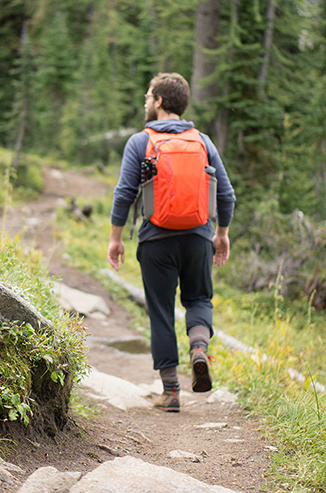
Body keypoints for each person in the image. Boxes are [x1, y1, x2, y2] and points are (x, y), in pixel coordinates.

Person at [107, 72, 236, 412]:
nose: (146, 102)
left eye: (149, 96)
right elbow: (226, 193)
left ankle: (171, 392)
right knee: (198, 299)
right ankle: (198, 348)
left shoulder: (140, 141)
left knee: (161, 311)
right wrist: (220, 234)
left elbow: (124, 193)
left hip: (155, 240)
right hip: (198, 237)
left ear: (160, 102)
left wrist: (115, 238)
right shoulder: (203, 141)